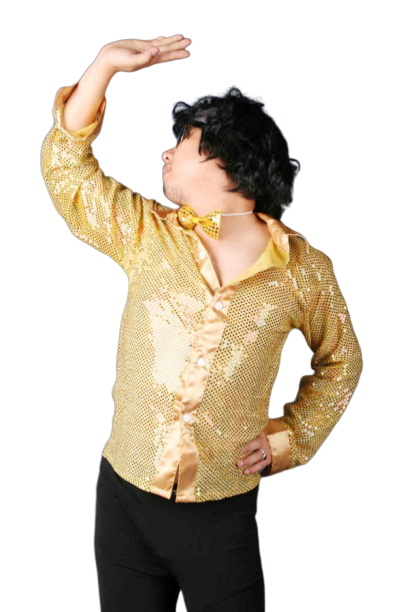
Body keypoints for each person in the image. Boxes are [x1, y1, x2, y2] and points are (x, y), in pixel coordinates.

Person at [40, 35, 363, 612]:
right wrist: (104, 65)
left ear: (226, 160)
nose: (165, 154)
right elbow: (68, 169)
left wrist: (291, 439)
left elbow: (341, 361)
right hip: (121, 499)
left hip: (221, 518)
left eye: (182, 143)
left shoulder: (303, 270)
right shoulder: (149, 234)